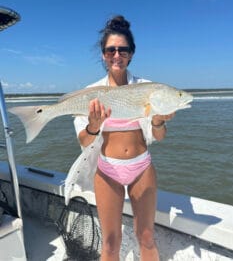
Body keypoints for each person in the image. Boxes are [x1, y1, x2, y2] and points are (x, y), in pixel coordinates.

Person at [73, 15, 175, 261]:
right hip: (108, 171)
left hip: (141, 168)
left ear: (131, 53)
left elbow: (159, 136)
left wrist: (159, 121)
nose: (117, 55)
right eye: (111, 50)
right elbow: (85, 142)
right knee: (109, 243)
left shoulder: (148, 88)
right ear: (103, 54)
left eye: (123, 50)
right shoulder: (91, 93)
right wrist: (94, 126)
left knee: (147, 237)